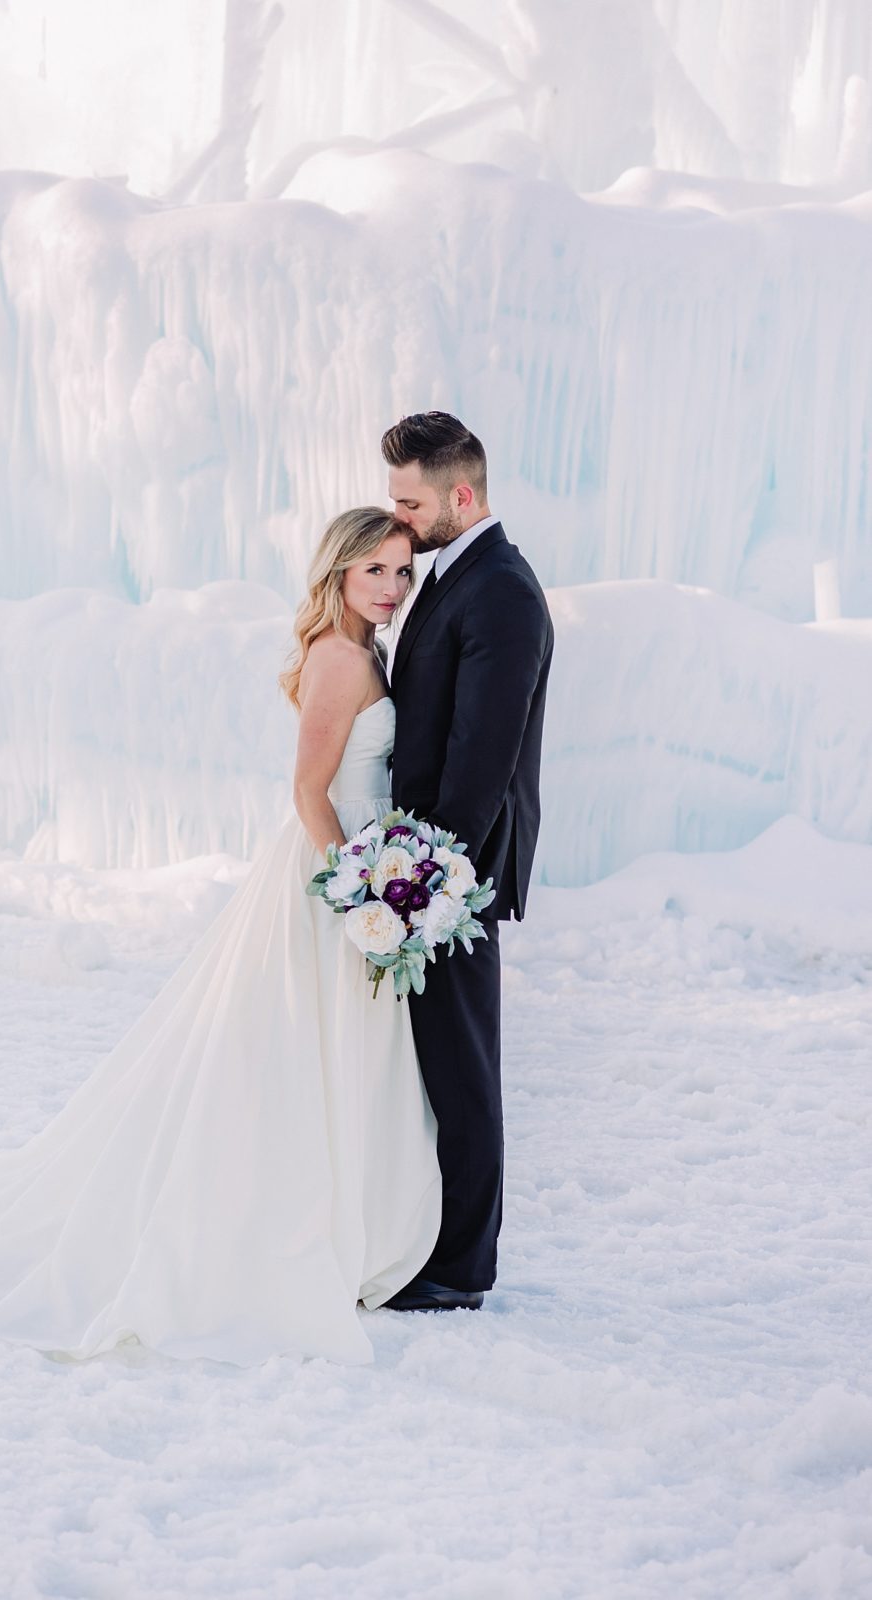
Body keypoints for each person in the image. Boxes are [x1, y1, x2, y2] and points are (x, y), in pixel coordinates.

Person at [0, 508, 441, 1367]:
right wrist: (357, 895)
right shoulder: (338, 657)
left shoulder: (364, 648)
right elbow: (308, 791)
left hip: (356, 860)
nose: (394, 589)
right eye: (377, 572)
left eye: (402, 573)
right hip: (332, 872)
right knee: (301, 1049)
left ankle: (336, 1215)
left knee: (321, 1050)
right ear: (337, 574)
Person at [380, 412, 553, 1314]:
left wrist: (429, 884)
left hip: (455, 873)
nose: (397, 519)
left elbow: (482, 759)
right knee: (437, 1061)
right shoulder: (453, 575)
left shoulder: (503, 592)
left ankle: (458, 1267)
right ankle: (426, 1242)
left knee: (463, 1067)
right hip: (423, 867)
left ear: (462, 493)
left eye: (409, 502)